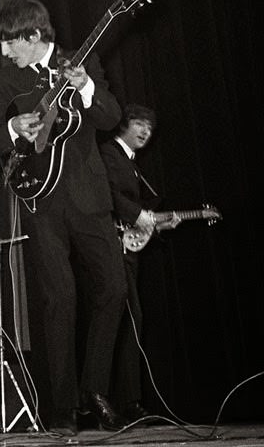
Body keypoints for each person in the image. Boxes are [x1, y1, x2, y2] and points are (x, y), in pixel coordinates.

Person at [0, 0, 127, 435]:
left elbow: (111, 117)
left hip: (89, 197)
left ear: (33, 36)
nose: (4, 53)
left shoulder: (83, 62)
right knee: (59, 301)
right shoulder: (7, 81)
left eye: (9, 43)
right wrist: (13, 128)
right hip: (41, 202)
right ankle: (62, 409)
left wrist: (85, 88)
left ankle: (94, 390)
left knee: (115, 288)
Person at [99, 104, 174, 423]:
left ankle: (129, 401)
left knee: (133, 321)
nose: (145, 131)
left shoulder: (131, 163)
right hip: (108, 246)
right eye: (140, 124)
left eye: (150, 128)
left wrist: (155, 222)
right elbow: (107, 195)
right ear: (123, 125)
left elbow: (139, 208)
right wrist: (137, 215)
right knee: (123, 319)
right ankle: (116, 400)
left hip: (128, 248)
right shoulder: (109, 154)